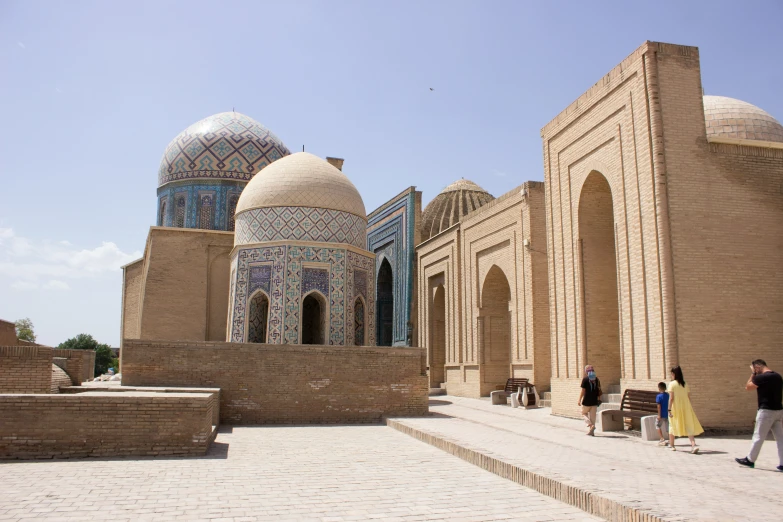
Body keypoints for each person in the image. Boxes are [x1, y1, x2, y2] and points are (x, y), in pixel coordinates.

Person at [735, 359, 783, 471]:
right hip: (778, 411)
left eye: (754, 369)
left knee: (758, 436)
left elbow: (748, 387)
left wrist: (752, 374)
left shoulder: (762, 377)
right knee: (781, 439)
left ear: (757, 367)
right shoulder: (777, 376)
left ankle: (750, 460)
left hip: (766, 412)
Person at [667, 366, 703, 453]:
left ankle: (672, 445)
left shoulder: (672, 384)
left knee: (672, 425)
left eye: (672, 373)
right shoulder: (685, 384)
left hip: (675, 408)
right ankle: (693, 445)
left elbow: (671, 398)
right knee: (689, 426)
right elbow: (688, 397)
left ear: (674, 374)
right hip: (686, 408)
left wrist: (669, 409)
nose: (671, 375)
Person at [578, 364, 602, 436]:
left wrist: (579, 399)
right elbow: (599, 391)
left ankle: (590, 425)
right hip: (594, 401)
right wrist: (598, 399)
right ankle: (592, 431)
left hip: (586, 401)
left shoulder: (585, 379)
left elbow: (583, 391)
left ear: (586, 372)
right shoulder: (597, 379)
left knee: (583, 413)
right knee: (593, 417)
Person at [655, 382, 669, 446]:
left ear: (659, 388)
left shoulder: (659, 396)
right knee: (668, 427)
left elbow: (659, 406)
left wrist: (659, 415)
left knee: (657, 425)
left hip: (662, 414)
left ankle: (662, 438)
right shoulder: (668, 395)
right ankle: (670, 439)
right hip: (668, 414)